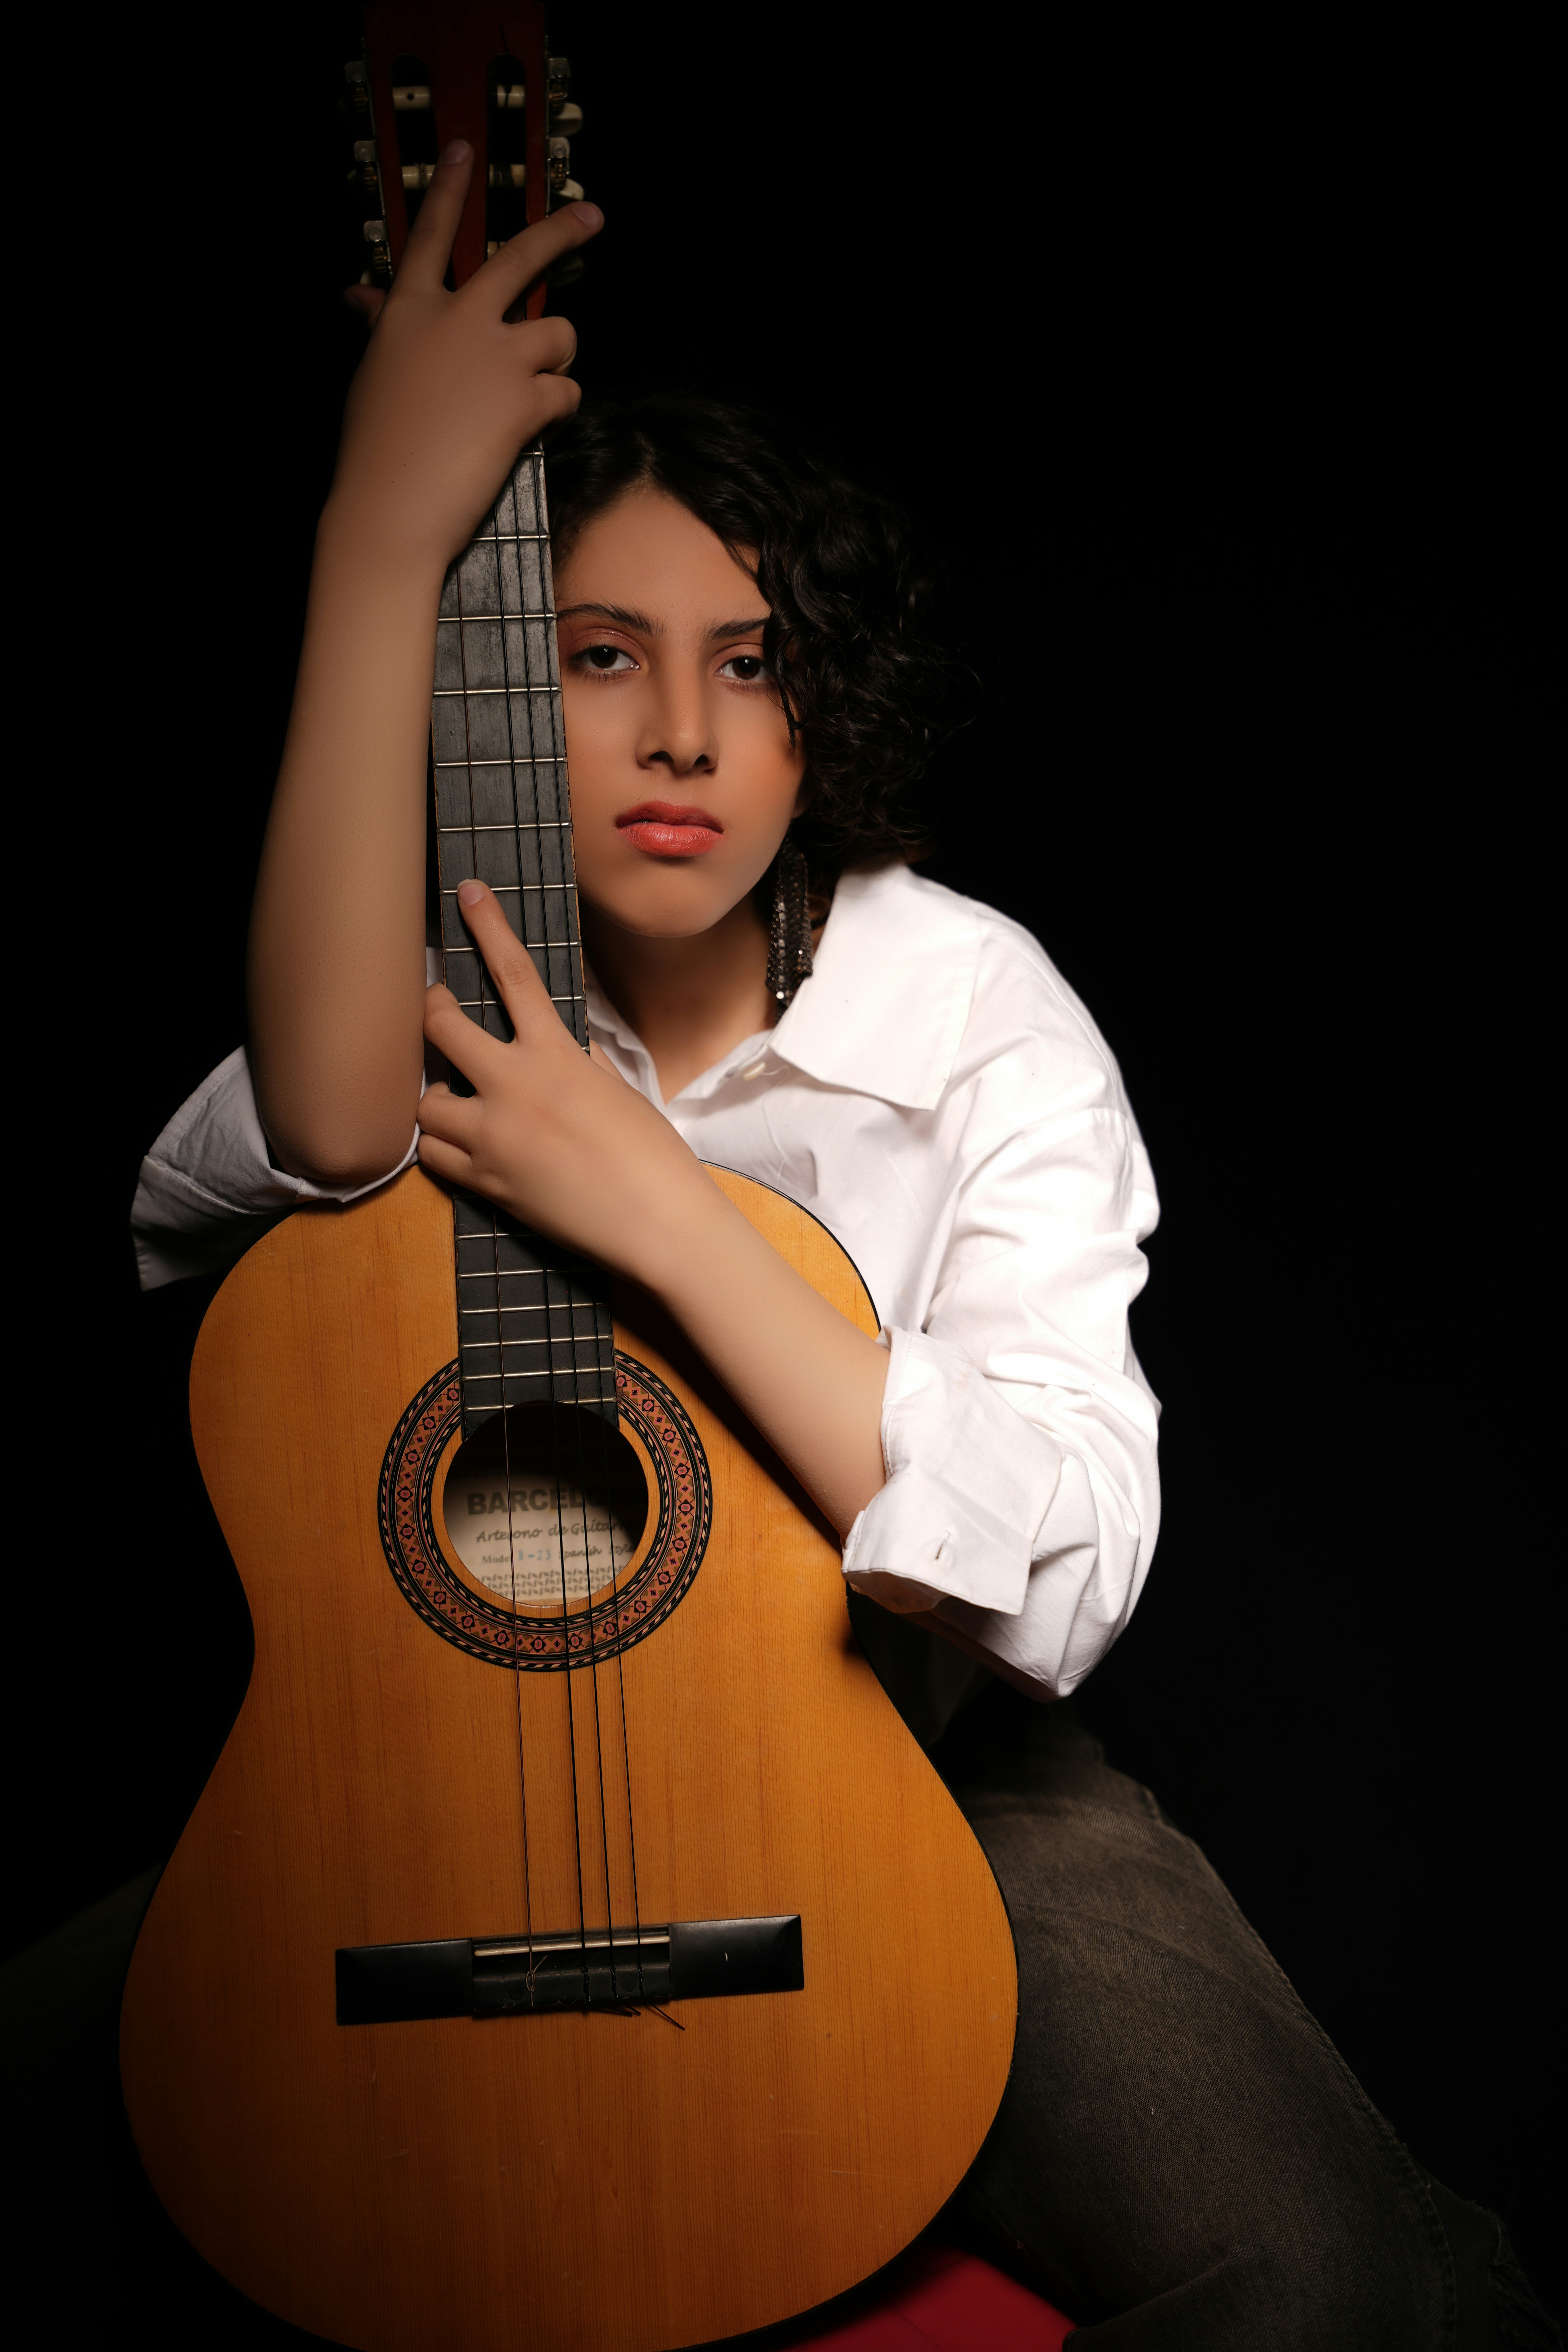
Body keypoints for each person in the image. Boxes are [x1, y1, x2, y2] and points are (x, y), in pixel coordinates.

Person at [79, 145, 1558, 2346]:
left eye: (755, 667)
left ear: (822, 712)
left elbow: (1062, 1562)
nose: (683, 728)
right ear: (504, 683)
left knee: (1332, 2286)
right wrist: (381, 544)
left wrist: (667, 1213)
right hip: (412, 1787)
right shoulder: (408, 998)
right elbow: (301, 1134)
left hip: (917, 1779)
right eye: (598, 657)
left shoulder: (966, 1004)